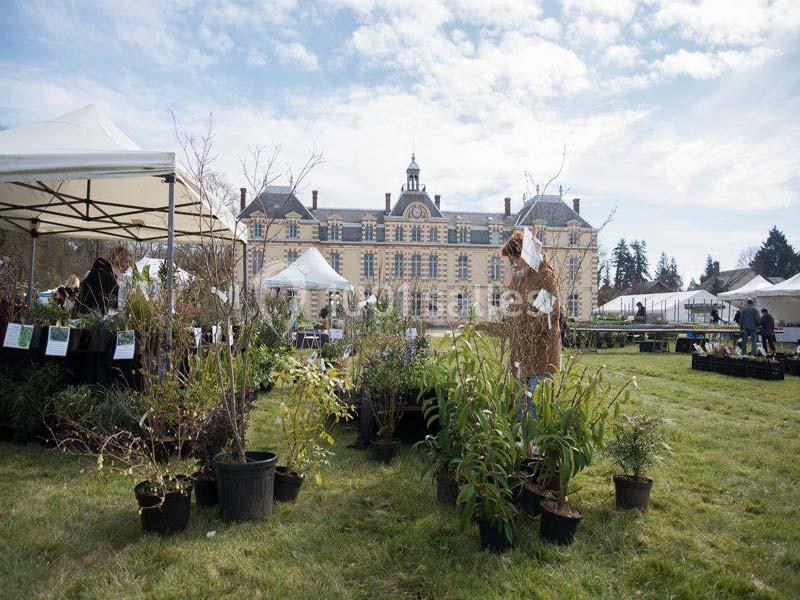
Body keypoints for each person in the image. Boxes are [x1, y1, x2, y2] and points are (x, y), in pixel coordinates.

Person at [76, 246, 131, 315]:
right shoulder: (103, 274)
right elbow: (100, 304)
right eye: (126, 261)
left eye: (129, 262)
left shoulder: (107, 273)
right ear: (118, 259)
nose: (128, 265)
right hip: (87, 319)